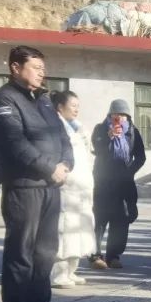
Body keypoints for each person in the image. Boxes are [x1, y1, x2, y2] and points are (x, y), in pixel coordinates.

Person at [0, 46, 73, 302]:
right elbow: (15, 143)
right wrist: (49, 167)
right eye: (35, 67)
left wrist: (66, 163)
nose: (41, 73)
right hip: (24, 187)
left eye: (42, 68)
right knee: (21, 252)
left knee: (45, 251)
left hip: (51, 186)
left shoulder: (45, 100)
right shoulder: (4, 99)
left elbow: (62, 136)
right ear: (15, 67)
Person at [90, 99, 146, 270]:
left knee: (121, 220)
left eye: (123, 115)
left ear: (128, 116)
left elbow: (141, 156)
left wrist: (130, 171)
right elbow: (97, 150)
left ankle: (113, 255)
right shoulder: (100, 129)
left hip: (124, 183)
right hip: (103, 182)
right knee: (99, 219)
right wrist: (109, 138)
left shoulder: (133, 132)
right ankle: (95, 255)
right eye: (116, 114)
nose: (119, 118)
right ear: (110, 115)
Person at [50, 91, 95, 288]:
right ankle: (58, 274)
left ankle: (71, 270)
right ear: (60, 107)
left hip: (82, 189)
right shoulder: (55, 127)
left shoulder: (78, 128)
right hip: (66, 189)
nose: (77, 109)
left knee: (80, 230)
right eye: (73, 105)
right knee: (64, 230)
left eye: (78, 106)